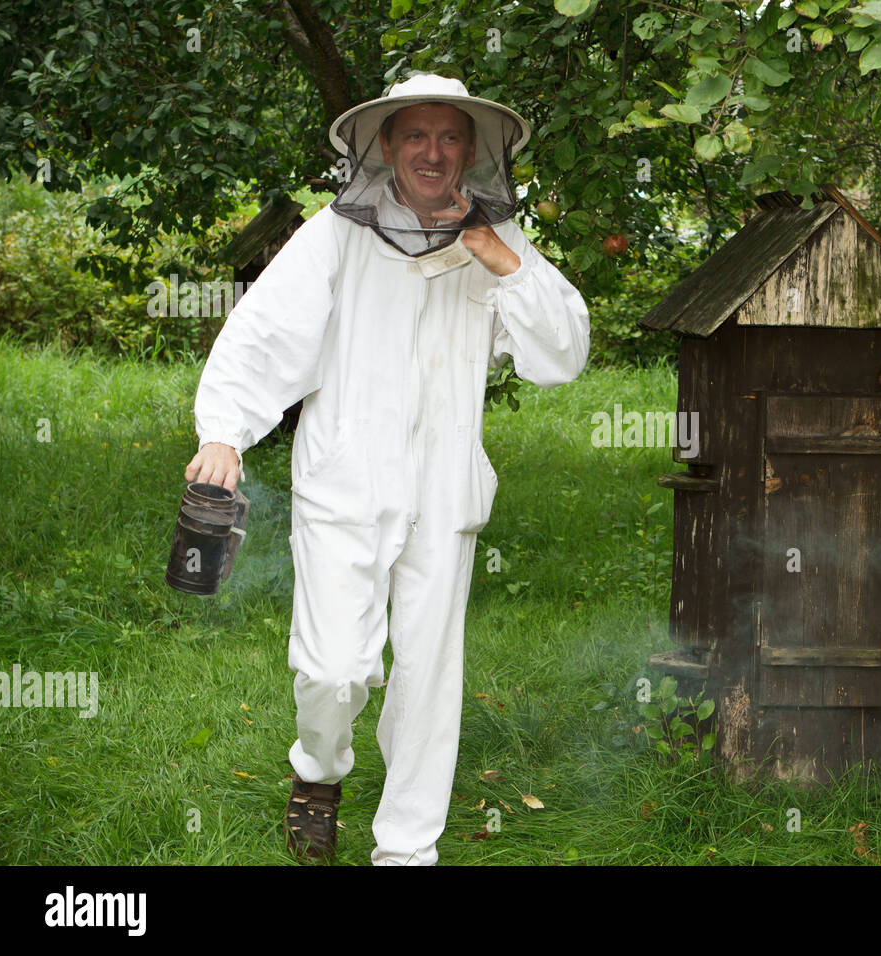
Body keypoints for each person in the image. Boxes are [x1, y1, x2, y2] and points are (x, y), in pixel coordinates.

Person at [184, 73, 590, 865]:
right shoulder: (336, 236)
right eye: (416, 136)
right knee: (335, 670)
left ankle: (406, 850)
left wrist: (503, 261)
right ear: (386, 147)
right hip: (344, 480)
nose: (432, 152)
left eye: (448, 137)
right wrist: (226, 433)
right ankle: (320, 769)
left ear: (472, 151)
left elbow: (563, 356)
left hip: (446, 493)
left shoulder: (500, 241)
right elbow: (264, 331)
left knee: (427, 682)